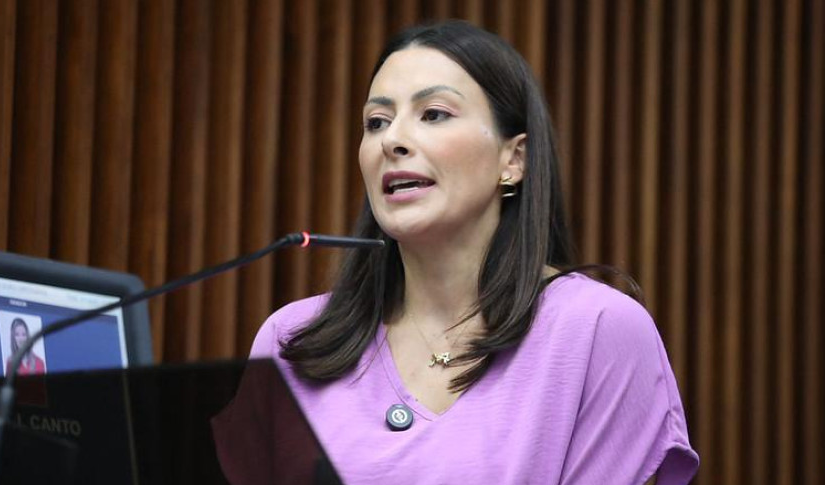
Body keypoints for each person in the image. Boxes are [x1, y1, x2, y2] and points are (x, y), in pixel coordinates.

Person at [250, 20, 698, 484]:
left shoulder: (596, 330)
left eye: (434, 114)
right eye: (376, 122)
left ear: (514, 160)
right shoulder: (289, 342)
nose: (392, 140)